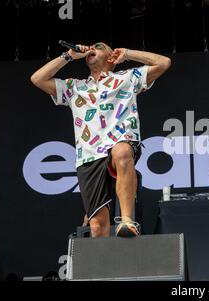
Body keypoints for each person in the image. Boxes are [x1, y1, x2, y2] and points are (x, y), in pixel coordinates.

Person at [30, 42, 171, 237]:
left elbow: (163, 63)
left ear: (111, 56)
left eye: (98, 46)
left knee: (121, 152)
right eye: (89, 47)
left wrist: (128, 53)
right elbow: (37, 78)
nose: (90, 48)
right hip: (88, 154)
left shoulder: (127, 78)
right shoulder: (75, 87)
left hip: (121, 140)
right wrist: (69, 55)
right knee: (97, 226)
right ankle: (101, 266)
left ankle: (128, 221)